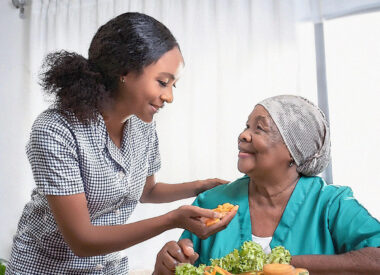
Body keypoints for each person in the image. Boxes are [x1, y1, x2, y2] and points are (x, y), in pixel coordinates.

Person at [6, 12, 237, 274]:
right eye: (163, 82)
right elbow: (82, 240)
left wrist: (203, 187)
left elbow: (146, 191)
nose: (169, 97)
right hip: (47, 269)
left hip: (108, 267)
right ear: (124, 71)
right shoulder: (56, 130)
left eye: (174, 85)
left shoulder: (142, 126)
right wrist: (173, 219)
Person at [154, 95, 380, 275]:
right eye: (246, 126)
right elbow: (183, 263)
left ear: (294, 151)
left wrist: (284, 265)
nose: (243, 135)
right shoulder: (211, 202)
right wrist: (167, 266)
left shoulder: (331, 204)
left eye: (259, 129)